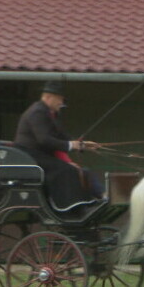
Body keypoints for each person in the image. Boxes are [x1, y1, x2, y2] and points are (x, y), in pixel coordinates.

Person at [14, 81, 103, 212]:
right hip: (30, 155)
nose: (61, 102)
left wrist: (82, 145)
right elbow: (44, 139)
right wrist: (71, 145)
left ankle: (86, 202)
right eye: (60, 99)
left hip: (40, 155)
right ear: (48, 97)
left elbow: (62, 136)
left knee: (81, 171)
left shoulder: (50, 114)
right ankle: (70, 208)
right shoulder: (37, 112)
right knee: (67, 171)